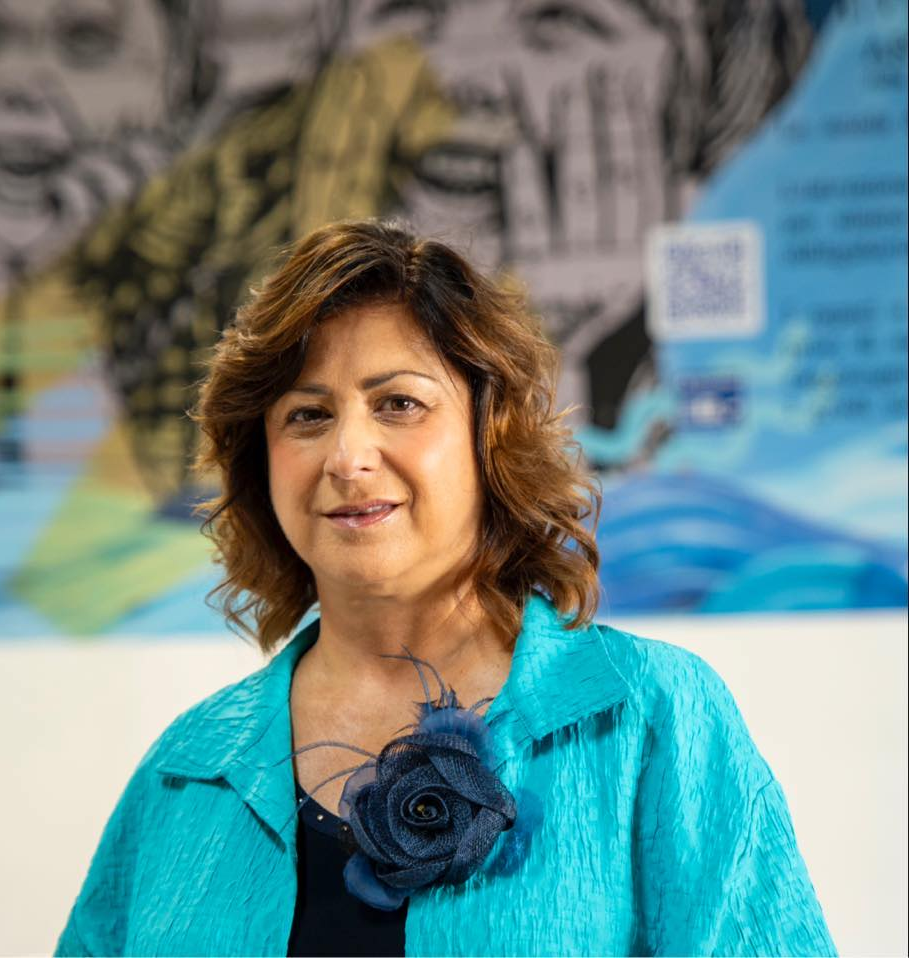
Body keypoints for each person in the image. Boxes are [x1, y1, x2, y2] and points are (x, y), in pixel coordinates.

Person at [55, 219, 836, 957]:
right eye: (307, 415)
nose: (348, 456)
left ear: (490, 435)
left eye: (399, 404)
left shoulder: (652, 718)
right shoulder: (185, 771)